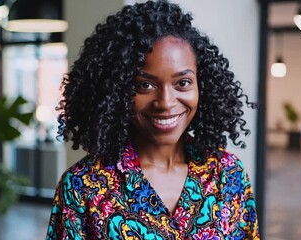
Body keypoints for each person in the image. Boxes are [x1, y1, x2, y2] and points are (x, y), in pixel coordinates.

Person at [46, 1, 259, 239]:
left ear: (203, 85)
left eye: (183, 83)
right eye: (145, 85)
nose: (166, 102)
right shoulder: (81, 186)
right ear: (117, 91)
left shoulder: (228, 174)